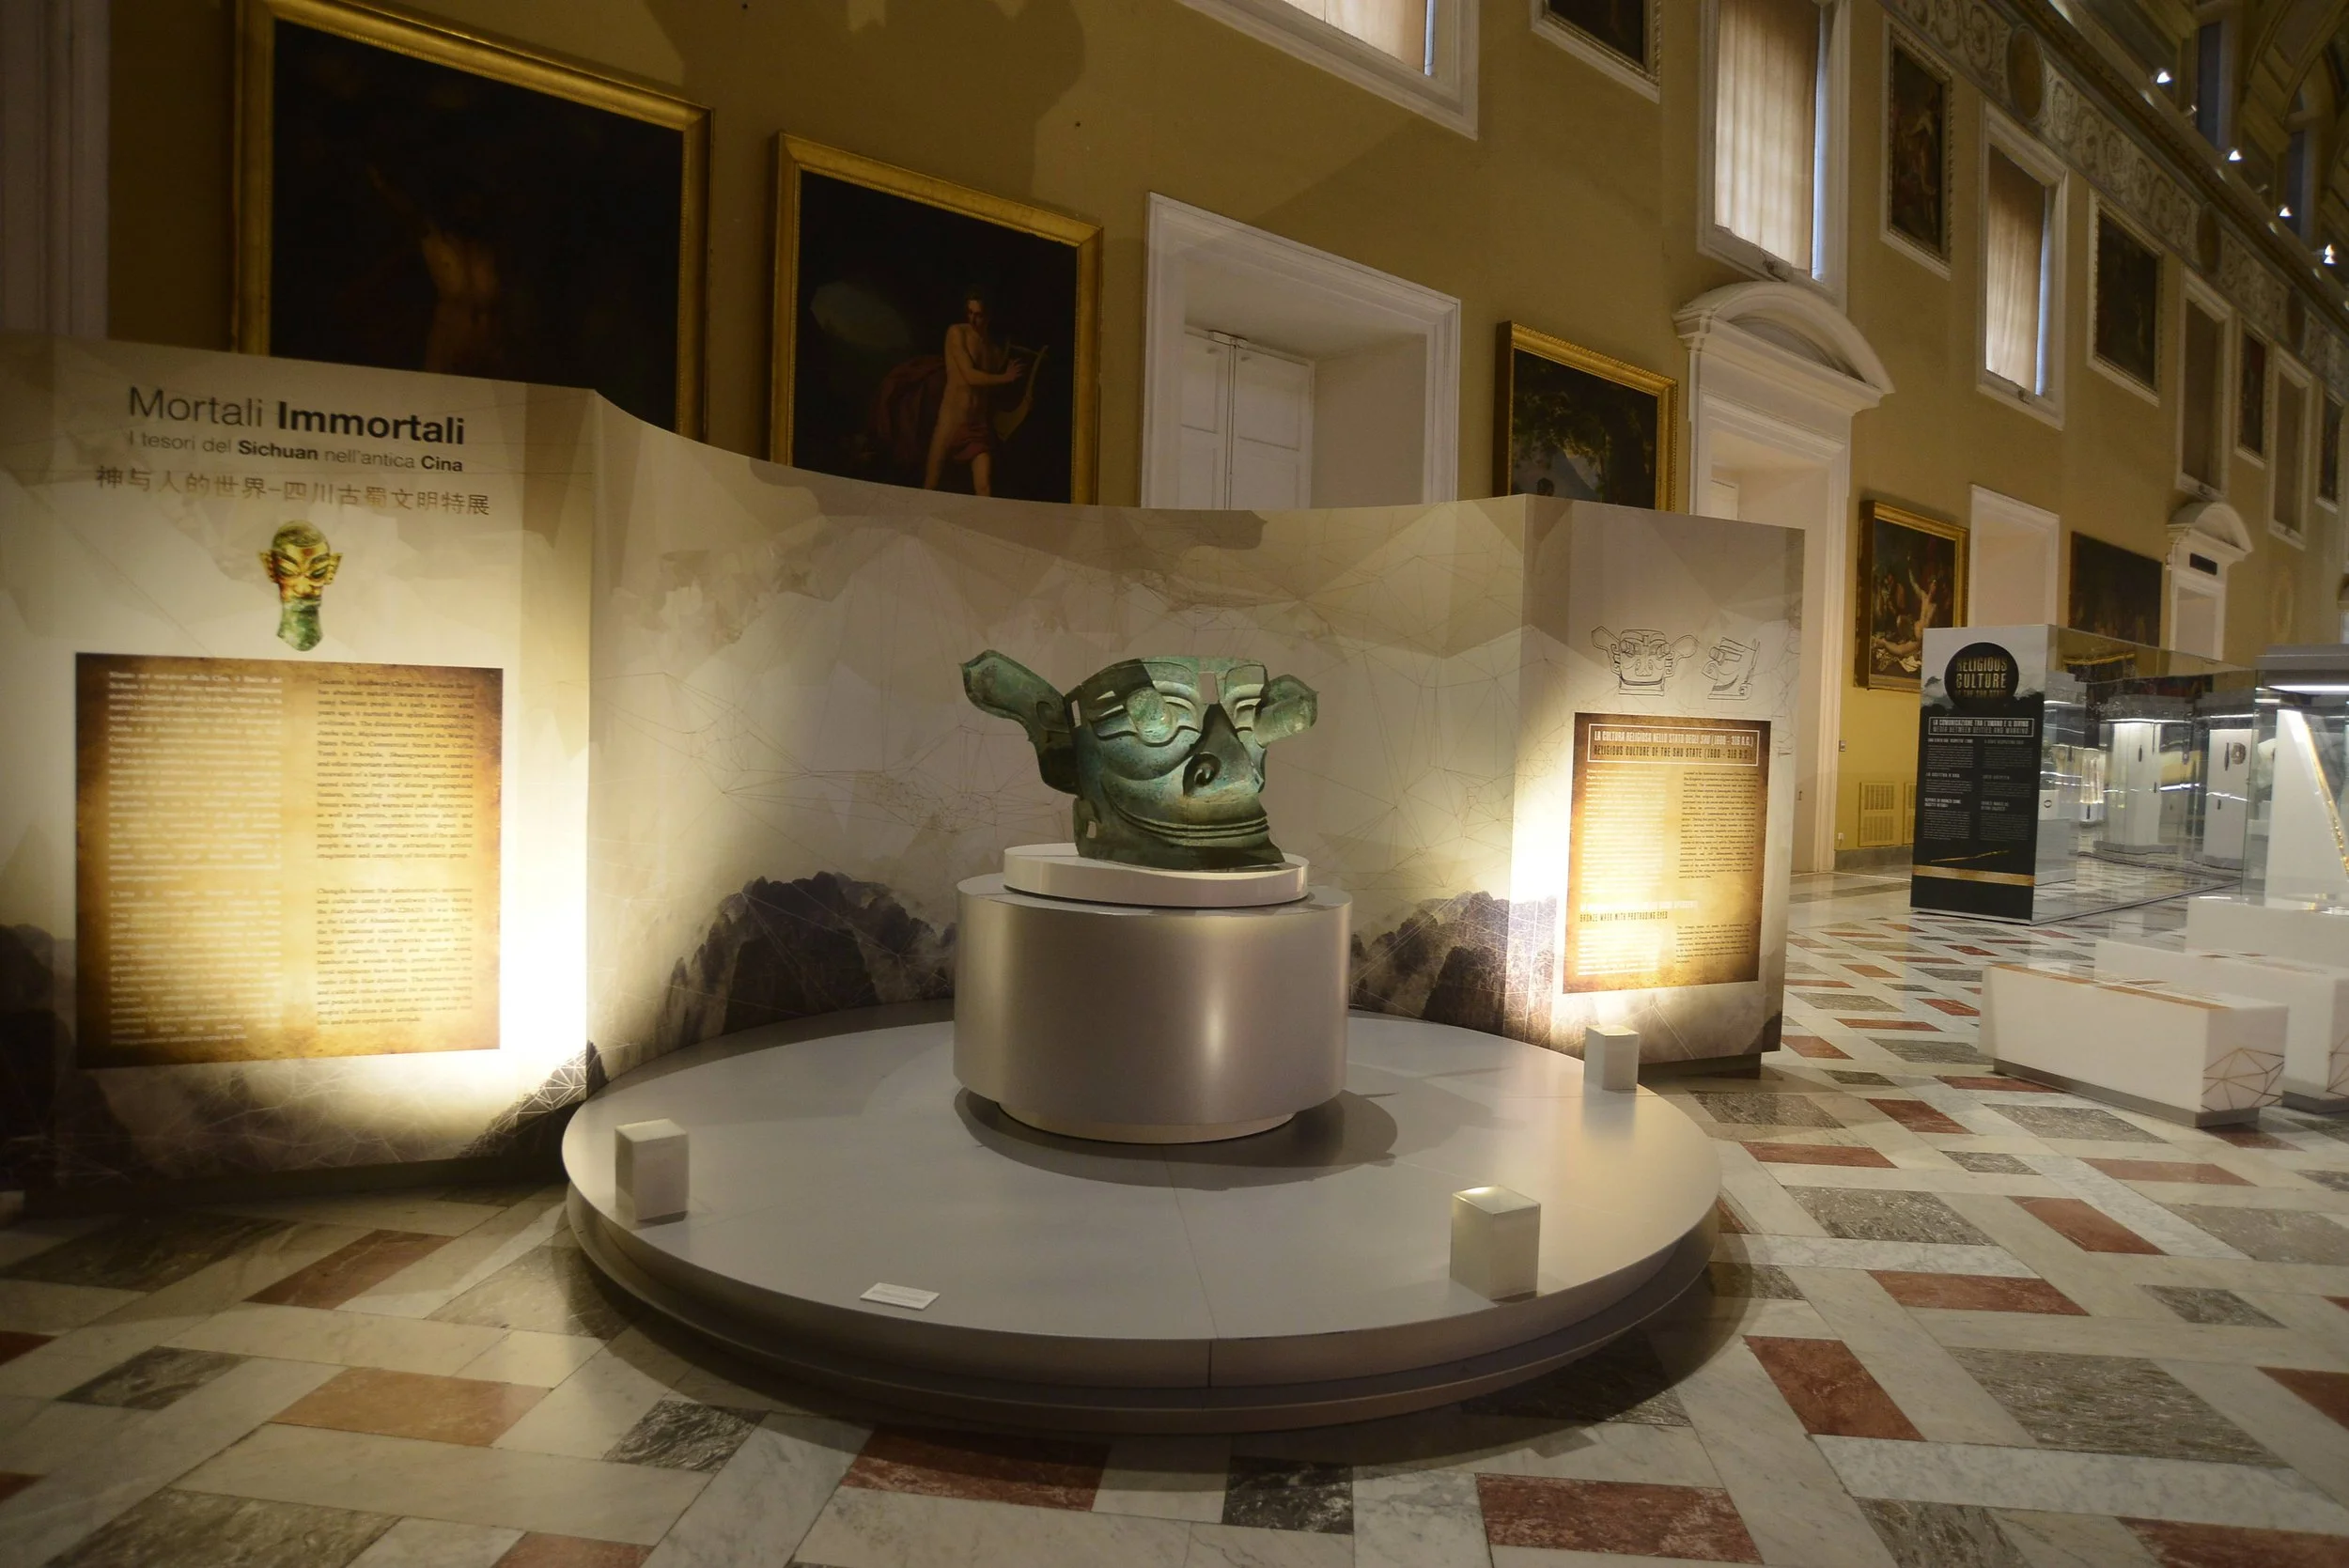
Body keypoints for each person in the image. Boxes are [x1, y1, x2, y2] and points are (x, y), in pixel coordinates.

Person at [923, 288, 1031, 496]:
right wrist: (1005, 377)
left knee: (984, 487)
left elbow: (995, 395)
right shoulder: (956, 333)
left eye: (978, 314)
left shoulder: (995, 352)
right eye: (970, 312)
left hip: (978, 427)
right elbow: (970, 376)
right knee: (931, 484)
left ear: (988, 316)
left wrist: (1023, 404)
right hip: (952, 421)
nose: (972, 319)